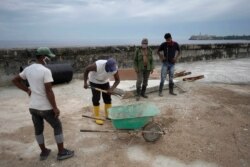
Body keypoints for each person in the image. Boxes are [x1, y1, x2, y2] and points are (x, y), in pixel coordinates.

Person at [12, 47, 74, 161]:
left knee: (38, 129)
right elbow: (49, 91)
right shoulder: (46, 71)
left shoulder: (28, 69)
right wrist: (55, 108)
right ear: (43, 57)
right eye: (48, 57)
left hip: (33, 107)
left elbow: (15, 80)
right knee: (57, 126)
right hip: (45, 107)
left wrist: (27, 90)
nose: (49, 59)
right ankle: (61, 152)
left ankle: (44, 151)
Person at [83, 58, 120, 125]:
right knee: (96, 98)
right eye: (109, 69)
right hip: (94, 81)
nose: (110, 71)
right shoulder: (98, 65)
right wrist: (85, 82)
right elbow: (86, 69)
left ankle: (108, 115)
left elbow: (117, 80)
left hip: (104, 81)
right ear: (106, 65)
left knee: (108, 98)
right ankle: (97, 116)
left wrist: (111, 89)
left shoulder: (115, 69)